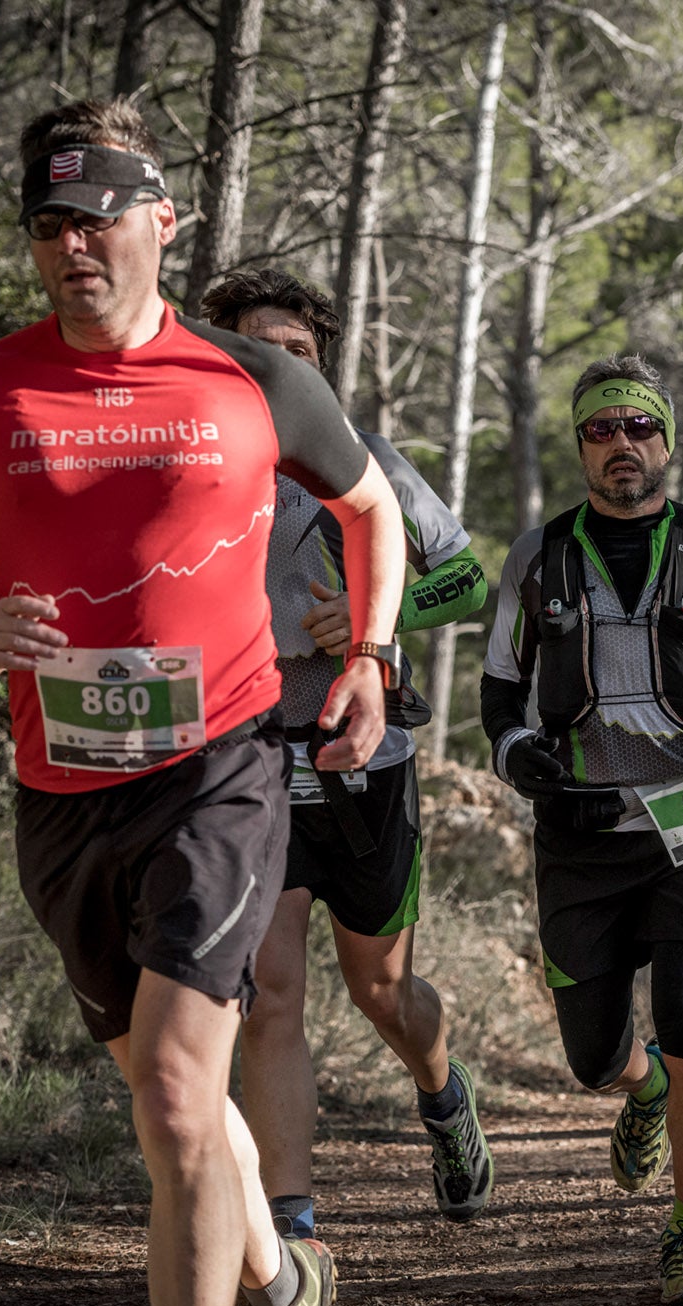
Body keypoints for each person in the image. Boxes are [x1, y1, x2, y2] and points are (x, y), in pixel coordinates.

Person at [0, 98, 405, 1306]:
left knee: (177, 1097)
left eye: (99, 218)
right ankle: (285, 1284)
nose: (74, 246)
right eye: (50, 224)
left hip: (219, 770)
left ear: (160, 224)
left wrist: (369, 659)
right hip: (58, 790)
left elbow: (372, 507)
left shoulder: (252, 376)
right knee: (163, 1090)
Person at [480, 355, 683, 1306]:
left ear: (667, 439)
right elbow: (500, 688)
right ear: (581, 444)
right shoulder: (536, 556)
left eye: (640, 427)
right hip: (580, 825)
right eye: (601, 429)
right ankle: (645, 1091)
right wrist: (513, 754)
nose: (623, 444)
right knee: (593, 1056)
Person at [199, 268, 495, 1239]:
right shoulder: (199, 462)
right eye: (261, 351)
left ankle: (443, 1097)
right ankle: (290, 1228)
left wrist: (377, 614)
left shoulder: (364, 460)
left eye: (301, 355)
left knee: (381, 992)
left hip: (364, 753)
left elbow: (466, 582)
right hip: (249, 750)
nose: (282, 369)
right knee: (269, 988)